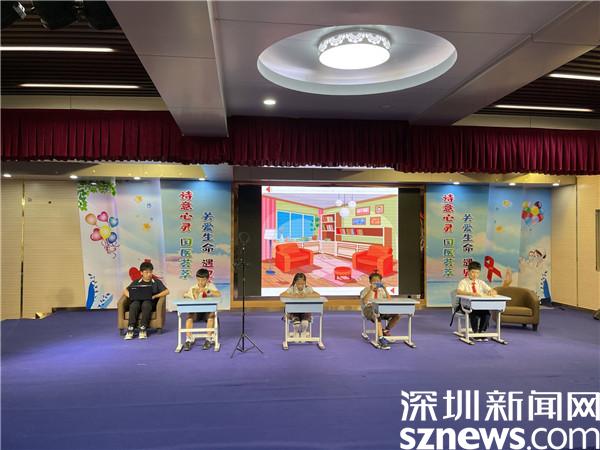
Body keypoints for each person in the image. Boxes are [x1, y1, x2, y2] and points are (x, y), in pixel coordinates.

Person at [123, 261, 169, 340]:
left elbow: (167, 291)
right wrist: (131, 296)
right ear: (141, 273)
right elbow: (125, 290)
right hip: (137, 301)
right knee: (134, 305)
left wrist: (155, 296)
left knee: (146, 304)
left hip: (150, 302)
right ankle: (130, 328)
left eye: (150, 272)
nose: (149, 274)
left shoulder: (156, 282)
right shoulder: (137, 282)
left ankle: (143, 328)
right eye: (146, 272)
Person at [456, 261, 498, 341]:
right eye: (473, 272)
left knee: (487, 314)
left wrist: (492, 292)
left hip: (479, 306)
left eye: (477, 273)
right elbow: (458, 291)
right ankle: (475, 333)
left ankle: (481, 332)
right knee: (474, 313)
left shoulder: (481, 282)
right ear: (468, 272)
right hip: (466, 306)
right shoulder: (463, 282)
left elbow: (492, 290)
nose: (475, 275)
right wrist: (471, 294)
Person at [182, 268, 221, 351]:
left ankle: (208, 339)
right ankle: (188, 339)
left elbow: (218, 294)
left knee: (211, 317)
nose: (200, 282)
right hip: (196, 311)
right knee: (189, 317)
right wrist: (192, 294)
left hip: (207, 311)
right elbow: (186, 295)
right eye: (198, 280)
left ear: (207, 279)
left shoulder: (211, 286)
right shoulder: (193, 287)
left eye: (203, 280)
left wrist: (208, 291)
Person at [360, 272, 400, 350]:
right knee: (376, 315)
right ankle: (381, 338)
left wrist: (385, 289)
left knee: (397, 315)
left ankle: (385, 330)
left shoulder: (382, 290)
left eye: (378, 281)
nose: (376, 283)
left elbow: (389, 300)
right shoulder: (365, 290)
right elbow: (365, 301)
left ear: (380, 282)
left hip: (382, 309)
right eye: (374, 281)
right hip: (369, 310)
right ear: (370, 282)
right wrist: (371, 290)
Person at [280, 273, 320, 339]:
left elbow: (317, 295)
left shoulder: (307, 288)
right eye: (298, 284)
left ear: (305, 282)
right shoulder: (292, 289)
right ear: (295, 282)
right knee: (297, 324)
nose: (300, 286)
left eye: (302, 284)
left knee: (305, 323)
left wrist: (307, 295)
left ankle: (304, 332)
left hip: (305, 311)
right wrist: (293, 296)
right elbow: (282, 294)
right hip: (294, 312)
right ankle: (296, 332)